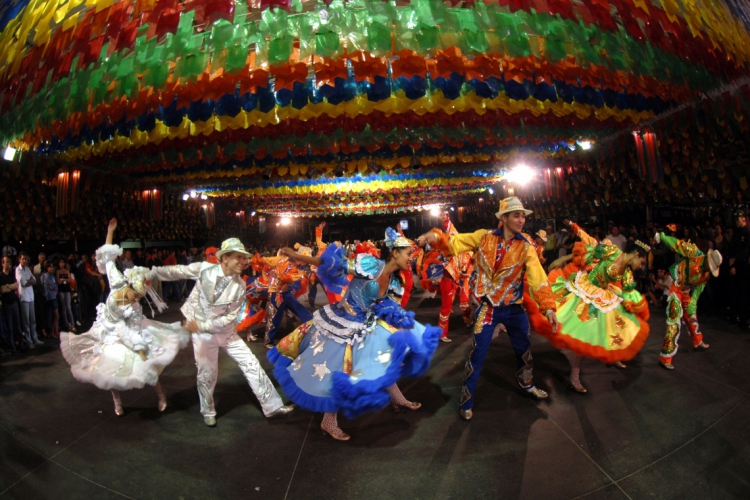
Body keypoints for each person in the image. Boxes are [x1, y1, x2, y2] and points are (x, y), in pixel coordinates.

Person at [267, 228, 441, 440]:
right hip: (342, 323)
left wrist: (401, 320)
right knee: (337, 372)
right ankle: (328, 421)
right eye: (408, 254)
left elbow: (384, 305)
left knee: (384, 357)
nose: (410, 258)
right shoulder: (371, 264)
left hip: (365, 324)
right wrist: (296, 256)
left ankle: (397, 398)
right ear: (395, 253)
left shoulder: (395, 282)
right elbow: (330, 263)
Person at [417, 197, 558, 420]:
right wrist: (432, 236)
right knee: (477, 354)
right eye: (516, 215)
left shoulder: (526, 247)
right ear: (504, 218)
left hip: (514, 309)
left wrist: (549, 307)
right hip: (489, 308)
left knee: (524, 350)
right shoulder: (484, 237)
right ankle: (467, 400)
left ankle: (527, 384)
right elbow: (454, 242)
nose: (522, 220)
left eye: (523, 215)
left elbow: (538, 277)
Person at [152, 238, 295, 427]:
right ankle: (208, 410)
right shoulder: (204, 269)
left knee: (251, 364)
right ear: (225, 258)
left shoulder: (240, 286)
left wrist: (202, 325)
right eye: (239, 257)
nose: (244, 262)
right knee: (207, 372)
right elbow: (177, 271)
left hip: (224, 332)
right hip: (203, 337)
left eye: (245, 258)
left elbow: (230, 318)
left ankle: (273, 406)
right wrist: (152, 273)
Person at [60, 219, 190, 416]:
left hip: (129, 332)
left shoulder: (134, 309)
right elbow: (108, 257)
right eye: (136, 294)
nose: (137, 298)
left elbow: (134, 333)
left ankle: (161, 394)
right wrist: (110, 231)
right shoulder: (117, 281)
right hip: (108, 332)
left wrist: (144, 356)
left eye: (140, 296)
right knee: (108, 369)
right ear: (129, 286)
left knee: (144, 368)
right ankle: (116, 401)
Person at [531, 221, 651, 392]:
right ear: (636, 255)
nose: (642, 264)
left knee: (612, 326)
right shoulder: (612, 250)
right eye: (643, 260)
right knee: (584, 333)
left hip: (602, 297)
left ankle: (611, 356)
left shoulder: (627, 274)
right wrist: (563, 258)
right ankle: (574, 376)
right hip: (586, 290)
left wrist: (632, 307)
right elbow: (590, 246)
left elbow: (628, 293)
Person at [657, 230, 721, 369]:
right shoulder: (694, 252)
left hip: (685, 290)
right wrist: (662, 237)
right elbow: (676, 245)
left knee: (691, 317)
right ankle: (665, 358)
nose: (709, 270)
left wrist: (691, 312)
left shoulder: (705, 275)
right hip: (675, 285)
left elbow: (696, 295)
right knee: (674, 321)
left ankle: (697, 341)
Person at [16, 252, 42, 347]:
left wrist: (29, 281)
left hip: (31, 296)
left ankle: (35, 339)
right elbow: (23, 283)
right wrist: (29, 281)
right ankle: (29, 340)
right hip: (24, 298)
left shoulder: (27, 269)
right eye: (23, 259)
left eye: (26, 259)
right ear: (19, 259)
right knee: (26, 321)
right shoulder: (18, 270)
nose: (25, 261)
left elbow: (34, 280)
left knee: (33, 320)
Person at [0, 256, 25, 353]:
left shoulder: (11, 275)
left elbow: (16, 285)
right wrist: (8, 287)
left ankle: (20, 344)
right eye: (6, 262)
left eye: (9, 262)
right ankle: (12, 347)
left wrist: (7, 287)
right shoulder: (1, 276)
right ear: (2, 263)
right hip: (6, 304)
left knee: (17, 325)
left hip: (14, 302)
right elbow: (2, 290)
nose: (8, 264)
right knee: (9, 327)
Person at [41, 262, 60, 339]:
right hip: (50, 297)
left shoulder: (52, 276)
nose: (51, 269)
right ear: (47, 268)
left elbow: (55, 286)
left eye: (52, 267)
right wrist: (54, 287)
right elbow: (52, 285)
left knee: (56, 315)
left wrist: (54, 287)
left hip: (54, 295)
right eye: (50, 267)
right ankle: (52, 332)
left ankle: (56, 331)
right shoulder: (46, 276)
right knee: (56, 316)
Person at [56, 259, 76, 332]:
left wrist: (63, 279)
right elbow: (58, 281)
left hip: (67, 290)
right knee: (63, 308)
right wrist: (63, 280)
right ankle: (67, 324)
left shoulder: (66, 271)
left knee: (68, 307)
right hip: (61, 290)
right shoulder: (58, 271)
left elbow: (69, 280)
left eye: (63, 262)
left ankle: (72, 324)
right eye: (60, 262)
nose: (62, 264)